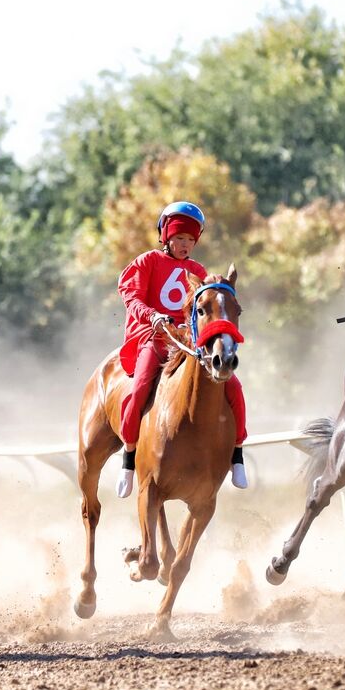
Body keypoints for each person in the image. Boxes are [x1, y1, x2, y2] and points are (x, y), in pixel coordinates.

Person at [115, 201, 248, 498]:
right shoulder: (147, 261)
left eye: (190, 239)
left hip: (188, 342)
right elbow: (132, 298)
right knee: (140, 388)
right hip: (154, 336)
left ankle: (237, 454)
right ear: (166, 236)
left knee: (234, 387)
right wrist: (153, 316)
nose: (185, 244)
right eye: (179, 238)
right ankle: (129, 457)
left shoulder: (197, 271)